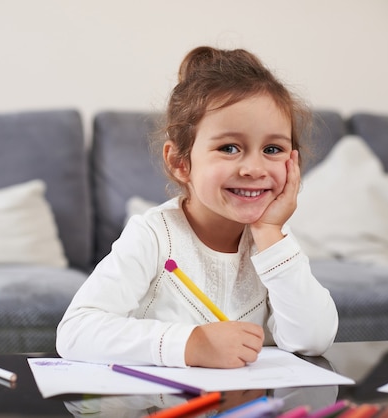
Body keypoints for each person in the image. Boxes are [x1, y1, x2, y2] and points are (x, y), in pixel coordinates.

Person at [56, 46, 338, 368]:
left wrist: (271, 235)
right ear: (180, 163)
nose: (254, 169)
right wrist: (189, 344)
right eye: (229, 148)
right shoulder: (153, 235)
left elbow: (313, 339)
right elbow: (75, 332)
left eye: (272, 149)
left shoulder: (273, 242)